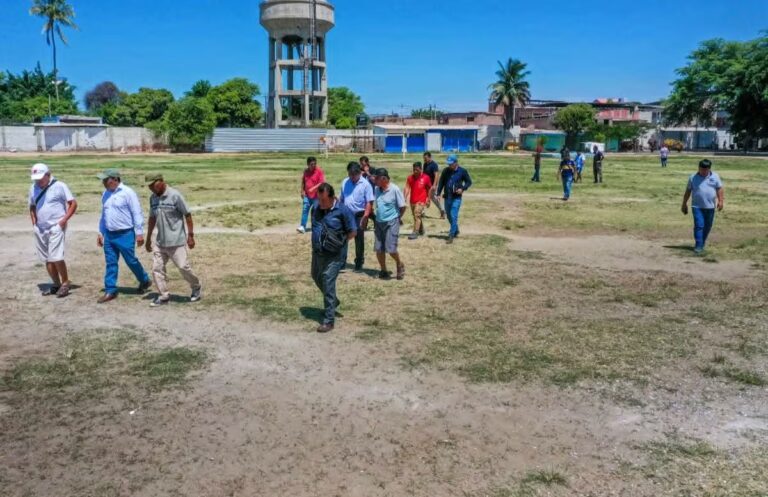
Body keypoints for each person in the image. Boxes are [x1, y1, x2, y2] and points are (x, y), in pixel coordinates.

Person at [144, 174, 202, 307]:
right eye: (149, 186)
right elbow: (152, 218)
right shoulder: (153, 198)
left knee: (183, 267)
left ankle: (196, 286)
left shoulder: (175, 195)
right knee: (156, 269)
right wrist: (148, 239)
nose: (151, 188)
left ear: (161, 181)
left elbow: (187, 214)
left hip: (176, 241)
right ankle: (163, 295)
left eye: (153, 185)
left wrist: (191, 236)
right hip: (160, 242)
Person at [96, 168, 152, 304]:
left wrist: (139, 233)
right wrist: (100, 232)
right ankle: (110, 289)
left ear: (115, 179)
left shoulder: (128, 193)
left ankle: (144, 280)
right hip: (109, 234)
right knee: (111, 262)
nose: (103, 182)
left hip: (125, 233)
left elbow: (136, 212)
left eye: (105, 179)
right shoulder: (105, 194)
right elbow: (104, 215)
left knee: (131, 260)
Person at [311, 183, 357, 333]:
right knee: (316, 276)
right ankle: (333, 302)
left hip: (334, 255)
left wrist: (340, 243)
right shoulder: (316, 208)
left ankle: (329, 321)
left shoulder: (342, 210)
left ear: (332, 197)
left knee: (327, 281)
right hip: (317, 252)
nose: (321, 203)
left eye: (324, 200)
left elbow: (353, 232)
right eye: (319, 199)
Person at [28, 163, 78, 297]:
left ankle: (65, 283)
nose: (38, 181)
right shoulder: (33, 188)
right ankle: (56, 284)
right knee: (47, 259)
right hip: (40, 228)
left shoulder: (60, 186)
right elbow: (32, 206)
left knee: (56, 257)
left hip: (56, 226)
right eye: (35, 178)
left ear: (48, 175)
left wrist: (63, 221)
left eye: (40, 178)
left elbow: (73, 203)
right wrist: (34, 223)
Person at [681, 159, 724, 254]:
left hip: (710, 207)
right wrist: (684, 203)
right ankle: (698, 245)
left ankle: (702, 242)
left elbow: (719, 189)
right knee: (699, 225)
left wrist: (721, 201)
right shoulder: (693, 177)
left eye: (706, 170)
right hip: (697, 206)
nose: (703, 172)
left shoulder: (715, 176)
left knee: (708, 226)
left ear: (709, 169)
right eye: (701, 169)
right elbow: (688, 191)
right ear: (699, 168)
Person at [339, 161, 374, 272]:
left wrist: (366, 216)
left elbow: (369, 202)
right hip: (346, 215)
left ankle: (359, 261)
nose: (352, 176)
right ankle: (341, 262)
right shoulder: (345, 182)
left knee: (359, 239)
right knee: (344, 238)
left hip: (360, 215)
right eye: (350, 174)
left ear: (359, 172)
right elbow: (342, 199)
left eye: (354, 174)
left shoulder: (366, 184)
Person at [373, 168, 406, 280]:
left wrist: (398, 218)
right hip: (379, 222)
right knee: (379, 249)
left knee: (391, 249)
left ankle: (399, 264)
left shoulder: (395, 189)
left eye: (376, 178)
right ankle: (384, 270)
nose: (374, 180)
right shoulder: (377, 189)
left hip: (392, 222)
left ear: (383, 179)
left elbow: (402, 207)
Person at [436, 154, 473, 244]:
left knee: (453, 215)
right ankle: (456, 229)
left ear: (456, 163)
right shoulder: (446, 171)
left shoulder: (462, 171)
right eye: (448, 163)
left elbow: (469, 182)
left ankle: (451, 235)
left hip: (456, 198)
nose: (449, 165)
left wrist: (462, 189)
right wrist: (438, 194)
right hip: (447, 197)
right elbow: (441, 182)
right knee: (448, 215)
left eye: (451, 163)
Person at [403, 162, 432, 239]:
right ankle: (421, 230)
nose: (415, 171)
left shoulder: (426, 177)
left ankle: (415, 232)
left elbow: (429, 189)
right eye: (414, 170)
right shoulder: (410, 178)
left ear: (421, 169)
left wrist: (428, 199)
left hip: (421, 201)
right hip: (412, 200)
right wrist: (404, 197)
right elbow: (407, 187)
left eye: (417, 170)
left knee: (417, 215)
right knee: (416, 216)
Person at [298, 157, 325, 233]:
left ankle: (317, 226)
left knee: (316, 210)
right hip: (307, 195)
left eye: (315, 164)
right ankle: (302, 226)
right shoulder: (306, 171)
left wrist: (313, 188)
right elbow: (303, 181)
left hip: (317, 196)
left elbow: (321, 183)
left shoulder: (319, 171)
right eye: (311, 164)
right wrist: (302, 191)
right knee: (305, 209)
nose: (313, 165)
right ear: (308, 164)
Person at [423, 152, 445, 218]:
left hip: (432, 185)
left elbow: (436, 175)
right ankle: (421, 212)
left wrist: (434, 185)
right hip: (425, 184)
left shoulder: (434, 165)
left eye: (426, 158)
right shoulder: (425, 164)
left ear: (430, 157)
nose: (425, 160)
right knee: (422, 196)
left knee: (433, 198)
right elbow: (424, 174)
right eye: (424, 158)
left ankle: (442, 211)